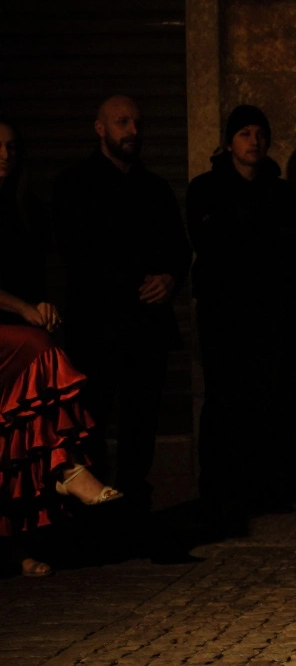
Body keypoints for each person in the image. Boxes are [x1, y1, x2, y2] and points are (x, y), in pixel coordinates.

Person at [52, 96, 191, 524]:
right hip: (95, 328)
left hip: (145, 330)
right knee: (89, 423)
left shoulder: (154, 188)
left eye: (137, 123)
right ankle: (92, 515)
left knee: (140, 426)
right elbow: (69, 257)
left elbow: (179, 250)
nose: (133, 130)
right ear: (100, 129)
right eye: (122, 122)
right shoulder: (74, 184)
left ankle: (131, 511)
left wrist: (169, 279)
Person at [1, 117, 122, 578]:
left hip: (13, 331)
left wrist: (43, 304)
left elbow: (34, 278)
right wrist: (25, 309)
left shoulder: (24, 208)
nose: (6, 155)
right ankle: (69, 470)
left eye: (13, 147)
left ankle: (14, 548)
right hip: (11, 334)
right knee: (42, 353)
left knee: (19, 427)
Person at [187, 105, 296, 515]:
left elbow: (288, 254)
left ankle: (264, 486)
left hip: (270, 312)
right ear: (229, 142)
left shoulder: (281, 192)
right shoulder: (205, 189)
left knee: (269, 399)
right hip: (224, 312)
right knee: (224, 399)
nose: (253, 141)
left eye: (259, 133)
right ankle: (219, 487)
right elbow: (214, 246)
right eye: (244, 134)